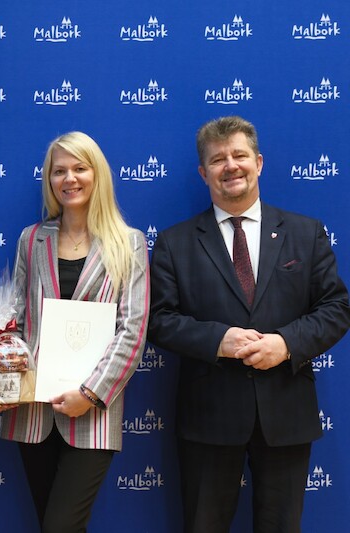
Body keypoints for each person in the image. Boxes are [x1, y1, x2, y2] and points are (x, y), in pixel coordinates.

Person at [148, 115, 350, 532]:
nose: (230, 166)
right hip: (208, 417)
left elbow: (336, 307)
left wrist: (286, 344)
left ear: (258, 162)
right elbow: (159, 320)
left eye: (239, 155)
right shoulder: (174, 242)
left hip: (286, 412)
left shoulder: (306, 233)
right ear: (203, 173)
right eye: (218, 159)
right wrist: (217, 340)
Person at [0, 131, 150, 532]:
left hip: (93, 413)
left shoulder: (129, 243)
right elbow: (17, 323)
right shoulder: (32, 239)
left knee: (60, 525)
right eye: (59, 171)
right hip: (33, 412)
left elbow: (133, 331)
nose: (69, 179)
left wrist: (90, 394)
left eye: (79, 168)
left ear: (97, 174)